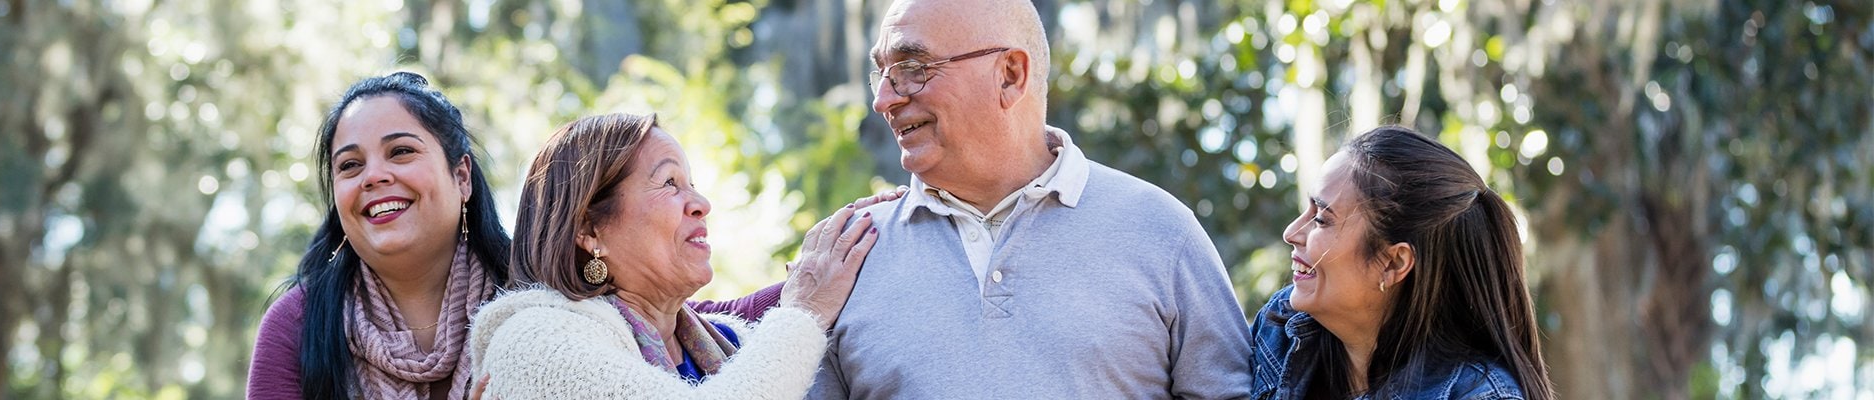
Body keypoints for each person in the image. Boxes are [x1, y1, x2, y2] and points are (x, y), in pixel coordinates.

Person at [246, 73, 807, 399]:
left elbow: (679, 318)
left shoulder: (532, 292)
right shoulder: (300, 325)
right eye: (349, 166)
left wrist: (817, 271)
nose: (374, 177)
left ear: (461, 176)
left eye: (401, 152)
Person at [808, 0, 1253, 398]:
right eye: (882, 74)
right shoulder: (843, 256)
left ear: (1010, 75)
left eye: (912, 68)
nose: (883, 100)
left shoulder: (1161, 230)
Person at [467, 113, 894, 398]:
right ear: (588, 229)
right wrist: (805, 310)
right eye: (670, 183)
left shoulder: (727, 344)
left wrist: (881, 233)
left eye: (692, 183)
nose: (700, 203)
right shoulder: (531, 342)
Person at [1251, 126, 1555, 399]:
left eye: (1321, 219)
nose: (1291, 233)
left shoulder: (1478, 395)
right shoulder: (1283, 329)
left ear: (1393, 263)